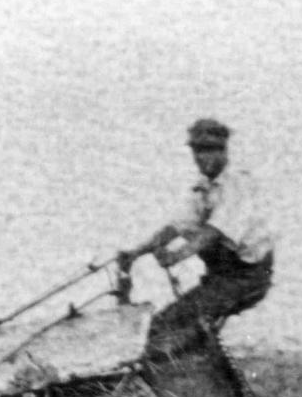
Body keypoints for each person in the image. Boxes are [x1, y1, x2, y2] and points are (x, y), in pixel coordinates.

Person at [116, 118, 275, 360]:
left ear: (223, 151)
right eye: (197, 151)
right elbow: (178, 225)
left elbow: (214, 232)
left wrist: (176, 256)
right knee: (167, 324)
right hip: (220, 278)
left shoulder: (238, 185)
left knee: (172, 324)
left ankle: (181, 374)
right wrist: (136, 253)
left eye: (208, 150)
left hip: (246, 277)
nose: (201, 157)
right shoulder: (203, 189)